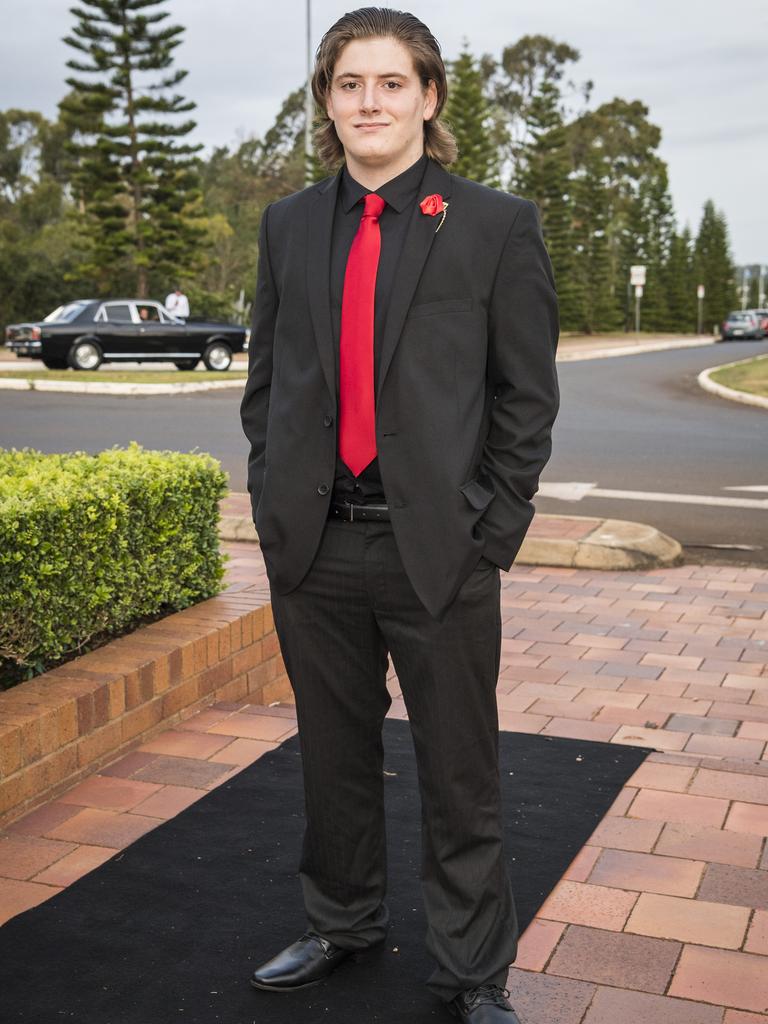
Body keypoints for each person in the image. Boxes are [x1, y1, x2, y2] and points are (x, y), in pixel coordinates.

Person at [239, 9, 559, 1023]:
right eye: (348, 84)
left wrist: (490, 533)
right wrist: (275, 503)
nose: (368, 102)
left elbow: (525, 399)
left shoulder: (496, 225)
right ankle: (342, 921)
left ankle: (473, 972)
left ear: (430, 96)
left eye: (389, 82)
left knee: (459, 771)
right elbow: (267, 384)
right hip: (316, 545)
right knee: (332, 757)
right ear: (328, 102)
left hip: (439, 551)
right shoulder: (288, 226)